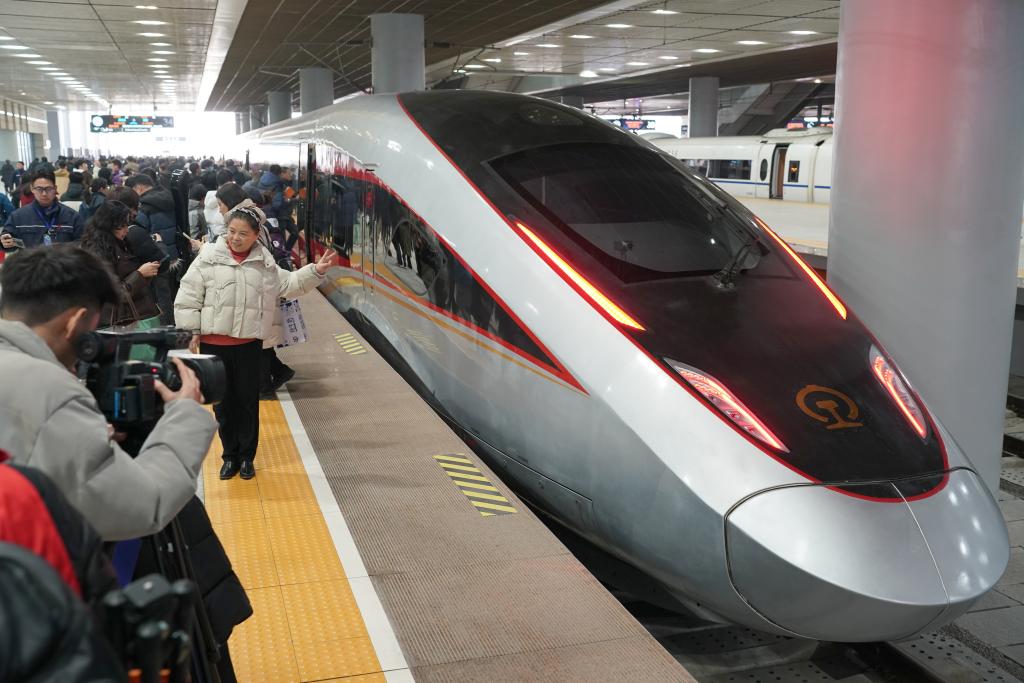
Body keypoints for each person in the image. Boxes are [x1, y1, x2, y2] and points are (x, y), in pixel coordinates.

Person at [0, 245, 217, 540]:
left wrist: (86, 440)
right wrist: (185, 414)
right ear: (73, 323)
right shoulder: (51, 392)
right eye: (89, 334)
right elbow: (142, 506)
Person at [175, 205, 334, 480]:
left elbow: (288, 284)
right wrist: (189, 332)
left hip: (249, 345)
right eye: (231, 231)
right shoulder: (208, 257)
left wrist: (315, 272)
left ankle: (247, 457)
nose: (235, 238)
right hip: (213, 345)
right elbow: (188, 295)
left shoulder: (265, 263)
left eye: (243, 233)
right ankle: (229, 456)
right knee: (223, 405)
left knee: (248, 402)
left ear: (255, 235)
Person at [79, 201, 162, 333]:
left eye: (127, 224)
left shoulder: (118, 243)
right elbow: (111, 293)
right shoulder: (97, 251)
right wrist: (140, 274)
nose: (126, 230)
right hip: (119, 324)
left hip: (132, 319)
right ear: (108, 225)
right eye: (121, 226)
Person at [1, 169, 84, 251]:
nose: (44, 194)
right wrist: (5, 242)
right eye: (39, 189)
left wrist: (63, 248)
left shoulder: (72, 217)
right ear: (32, 189)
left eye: (48, 189)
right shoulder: (18, 216)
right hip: (30, 259)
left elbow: (81, 244)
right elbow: (7, 241)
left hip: (62, 259)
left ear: (55, 188)